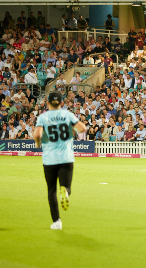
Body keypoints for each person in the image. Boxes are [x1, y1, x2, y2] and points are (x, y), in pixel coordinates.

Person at [33, 92, 87, 230]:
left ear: (48, 102)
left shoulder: (43, 117)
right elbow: (82, 128)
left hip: (49, 158)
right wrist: (71, 130)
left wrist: (38, 143)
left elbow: (37, 134)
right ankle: (66, 192)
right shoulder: (67, 115)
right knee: (66, 186)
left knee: (51, 190)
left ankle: (56, 221)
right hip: (66, 157)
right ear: (62, 103)